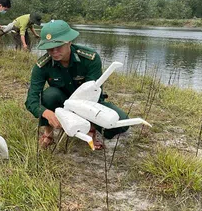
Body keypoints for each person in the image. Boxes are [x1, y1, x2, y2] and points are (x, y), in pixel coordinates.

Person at [24, 20, 129, 149]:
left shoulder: (90, 58)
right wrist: (46, 113)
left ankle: (91, 130)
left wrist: (90, 127)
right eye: (50, 48)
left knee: (121, 123)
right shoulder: (42, 66)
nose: (54, 51)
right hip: (62, 101)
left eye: (59, 46)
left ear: (69, 41)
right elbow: (32, 99)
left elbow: (94, 96)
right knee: (49, 95)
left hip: (89, 103)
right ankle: (48, 134)